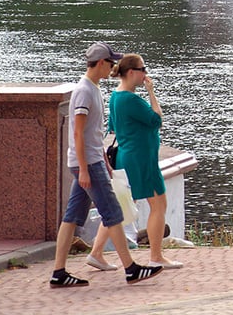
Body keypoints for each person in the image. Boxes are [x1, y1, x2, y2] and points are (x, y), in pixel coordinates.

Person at [49, 42, 164, 287]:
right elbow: (78, 133)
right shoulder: (85, 91)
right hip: (88, 164)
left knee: (71, 217)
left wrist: (103, 159)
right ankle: (131, 268)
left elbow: (93, 134)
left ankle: (58, 272)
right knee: (113, 213)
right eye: (110, 62)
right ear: (101, 62)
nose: (113, 67)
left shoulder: (93, 89)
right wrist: (84, 169)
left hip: (91, 161)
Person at [92, 54, 184, 270]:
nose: (145, 74)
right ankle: (156, 256)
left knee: (120, 206)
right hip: (142, 159)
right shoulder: (131, 99)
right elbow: (156, 119)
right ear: (132, 72)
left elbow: (112, 127)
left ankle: (96, 253)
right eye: (143, 69)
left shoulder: (116, 96)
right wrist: (151, 92)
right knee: (159, 204)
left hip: (126, 156)